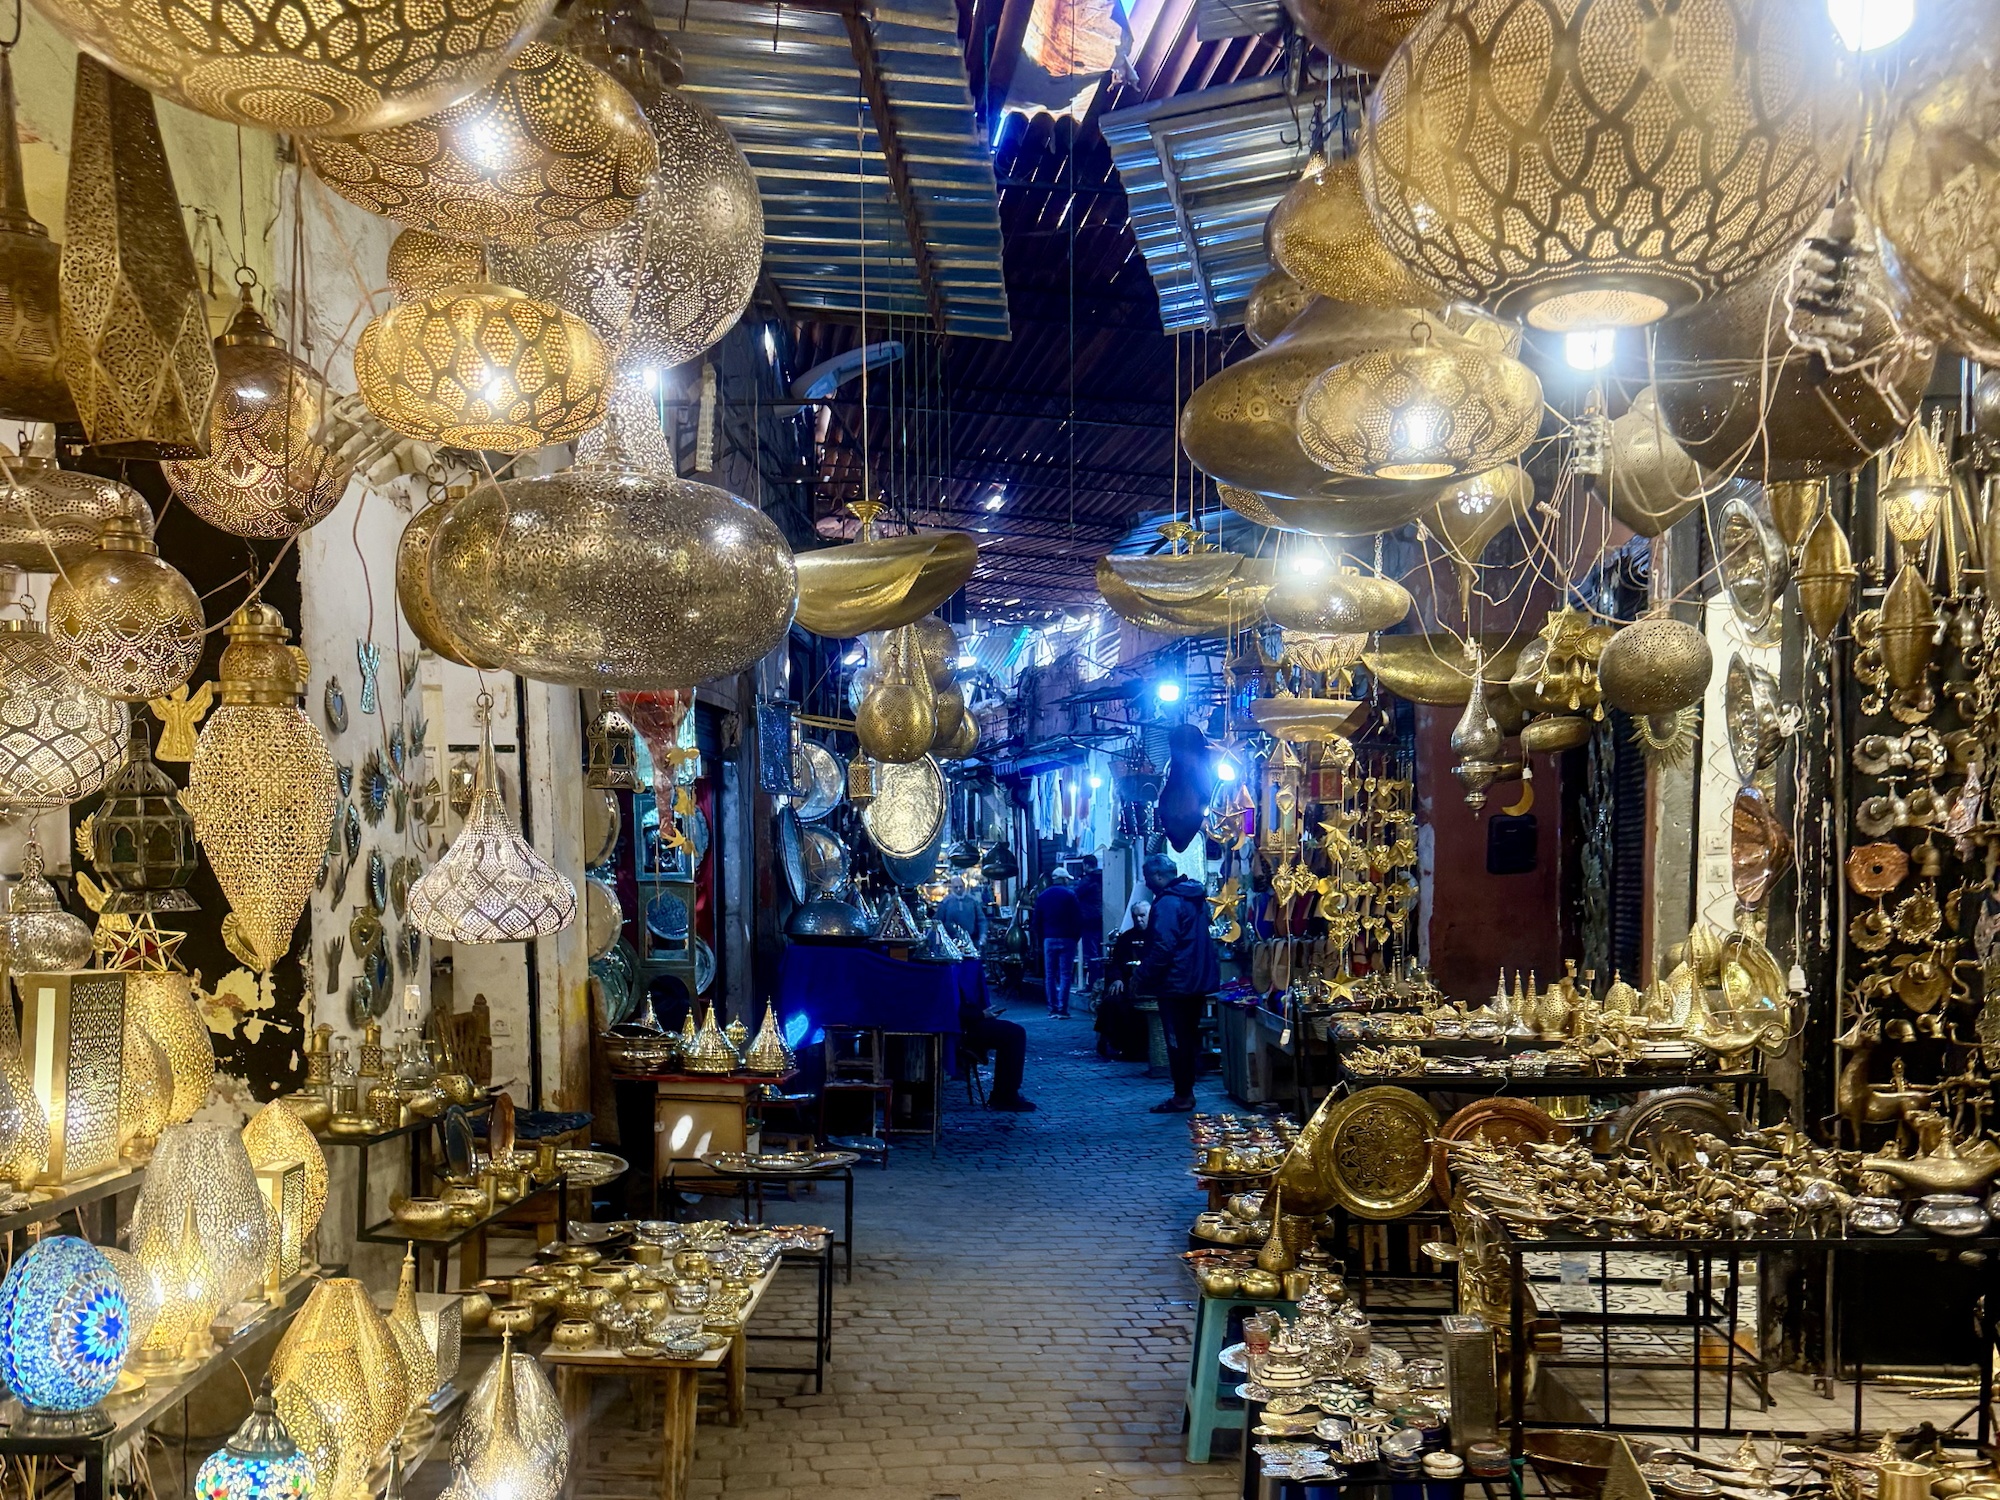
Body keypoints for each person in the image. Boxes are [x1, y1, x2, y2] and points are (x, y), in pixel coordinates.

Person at [1135, 852, 1218, 1112]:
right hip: (1195, 979)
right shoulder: (1193, 897)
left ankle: (1182, 1095)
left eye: (1148, 877)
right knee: (1188, 1037)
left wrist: (1141, 976)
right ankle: (1186, 1091)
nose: (1146, 883)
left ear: (1160, 876)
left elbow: (1163, 947)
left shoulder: (1169, 903)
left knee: (1176, 1039)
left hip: (1176, 982)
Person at [958, 968, 1033, 1111]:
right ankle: (1005, 1096)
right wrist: (980, 1015)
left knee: (1013, 1032)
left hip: (967, 1022)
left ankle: (1005, 1094)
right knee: (1014, 1034)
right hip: (963, 1027)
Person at [1032, 872, 1083, 1018]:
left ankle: (1052, 1008)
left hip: (1049, 938)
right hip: (1067, 938)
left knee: (1050, 975)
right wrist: (1075, 937)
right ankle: (1062, 1009)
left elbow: (1036, 921)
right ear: (1063, 879)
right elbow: (1078, 918)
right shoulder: (1070, 895)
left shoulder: (1043, 896)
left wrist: (1043, 938)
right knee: (1065, 974)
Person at [1074, 854, 1104, 996]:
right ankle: (1100, 982)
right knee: (1099, 952)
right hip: (1100, 918)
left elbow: (1075, 894)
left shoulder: (1087, 880)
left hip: (1088, 919)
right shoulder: (1102, 878)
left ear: (1085, 865)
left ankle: (1093, 984)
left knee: (1091, 954)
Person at [937, 878, 989, 950]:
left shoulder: (973, 901)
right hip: (950, 943)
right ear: (952, 888)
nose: (958, 889)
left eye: (960, 886)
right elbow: (938, 922)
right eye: (956, 887)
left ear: (964, 886)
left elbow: (981, 920)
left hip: (972, 941)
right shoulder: (945, 902)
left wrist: (983, 937)